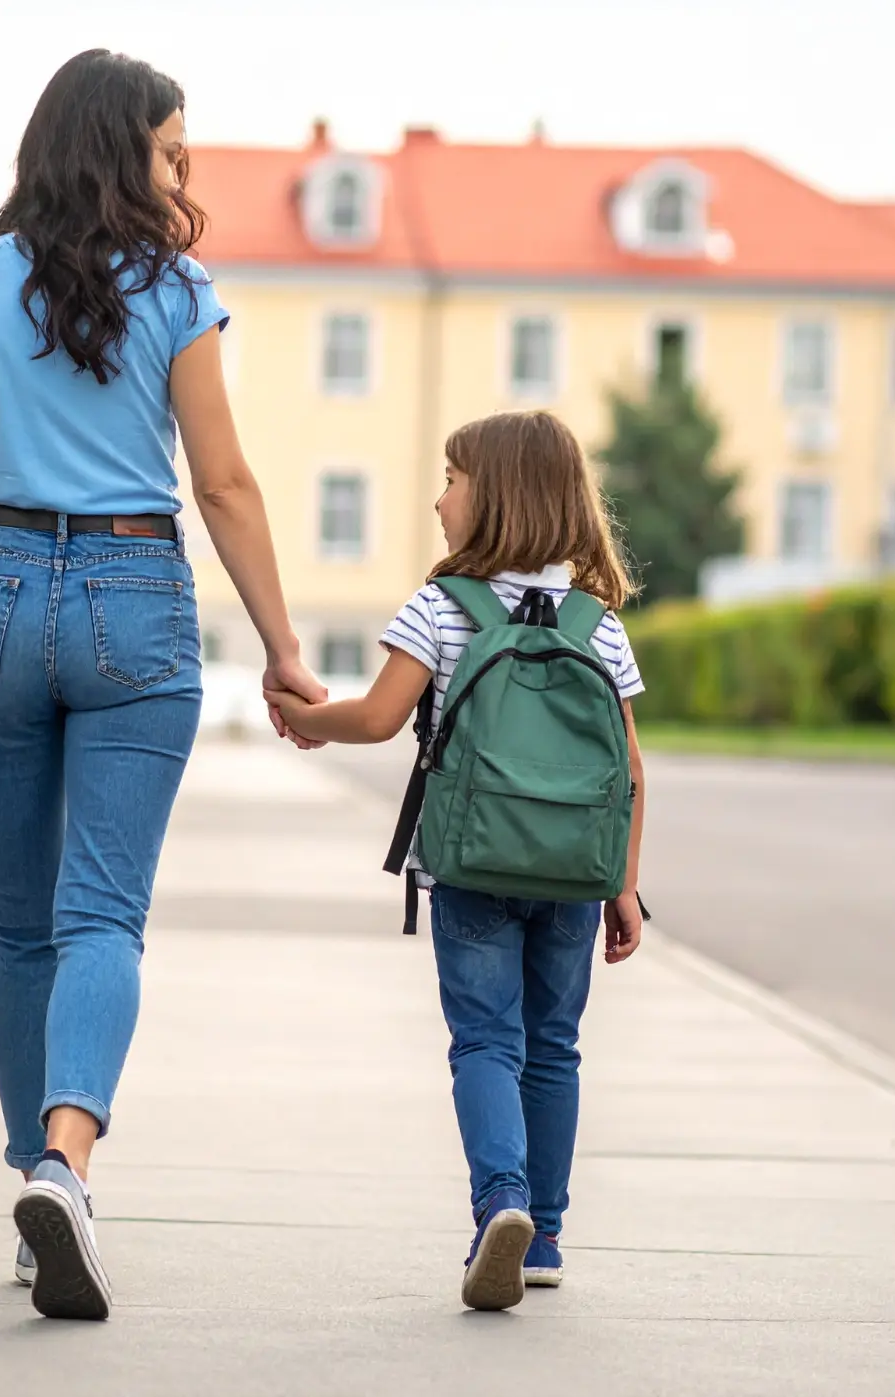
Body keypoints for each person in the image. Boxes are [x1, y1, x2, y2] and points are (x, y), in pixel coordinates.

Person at [0, 50, 323, 1321]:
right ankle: (65, 1168)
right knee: (102, 917)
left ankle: (37, 1201)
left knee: (20, 925)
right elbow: (226, 483)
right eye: (172, 150)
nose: (184, 175)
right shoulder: (179, 289)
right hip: (135, 599)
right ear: (114, 147)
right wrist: (285, 647)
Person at [266, 410, 648, 1311]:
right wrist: (624, 886)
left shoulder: (442, 606)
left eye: (451, 479)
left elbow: (374, 717)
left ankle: (499, 1204)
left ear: (495, 497)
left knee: (484, 1038)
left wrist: (300, 717)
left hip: (471, 865)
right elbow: (628, 770)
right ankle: (544, 1234)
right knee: (552, 1046)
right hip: (573, 877)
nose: (438, 500)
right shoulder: (598, 623)